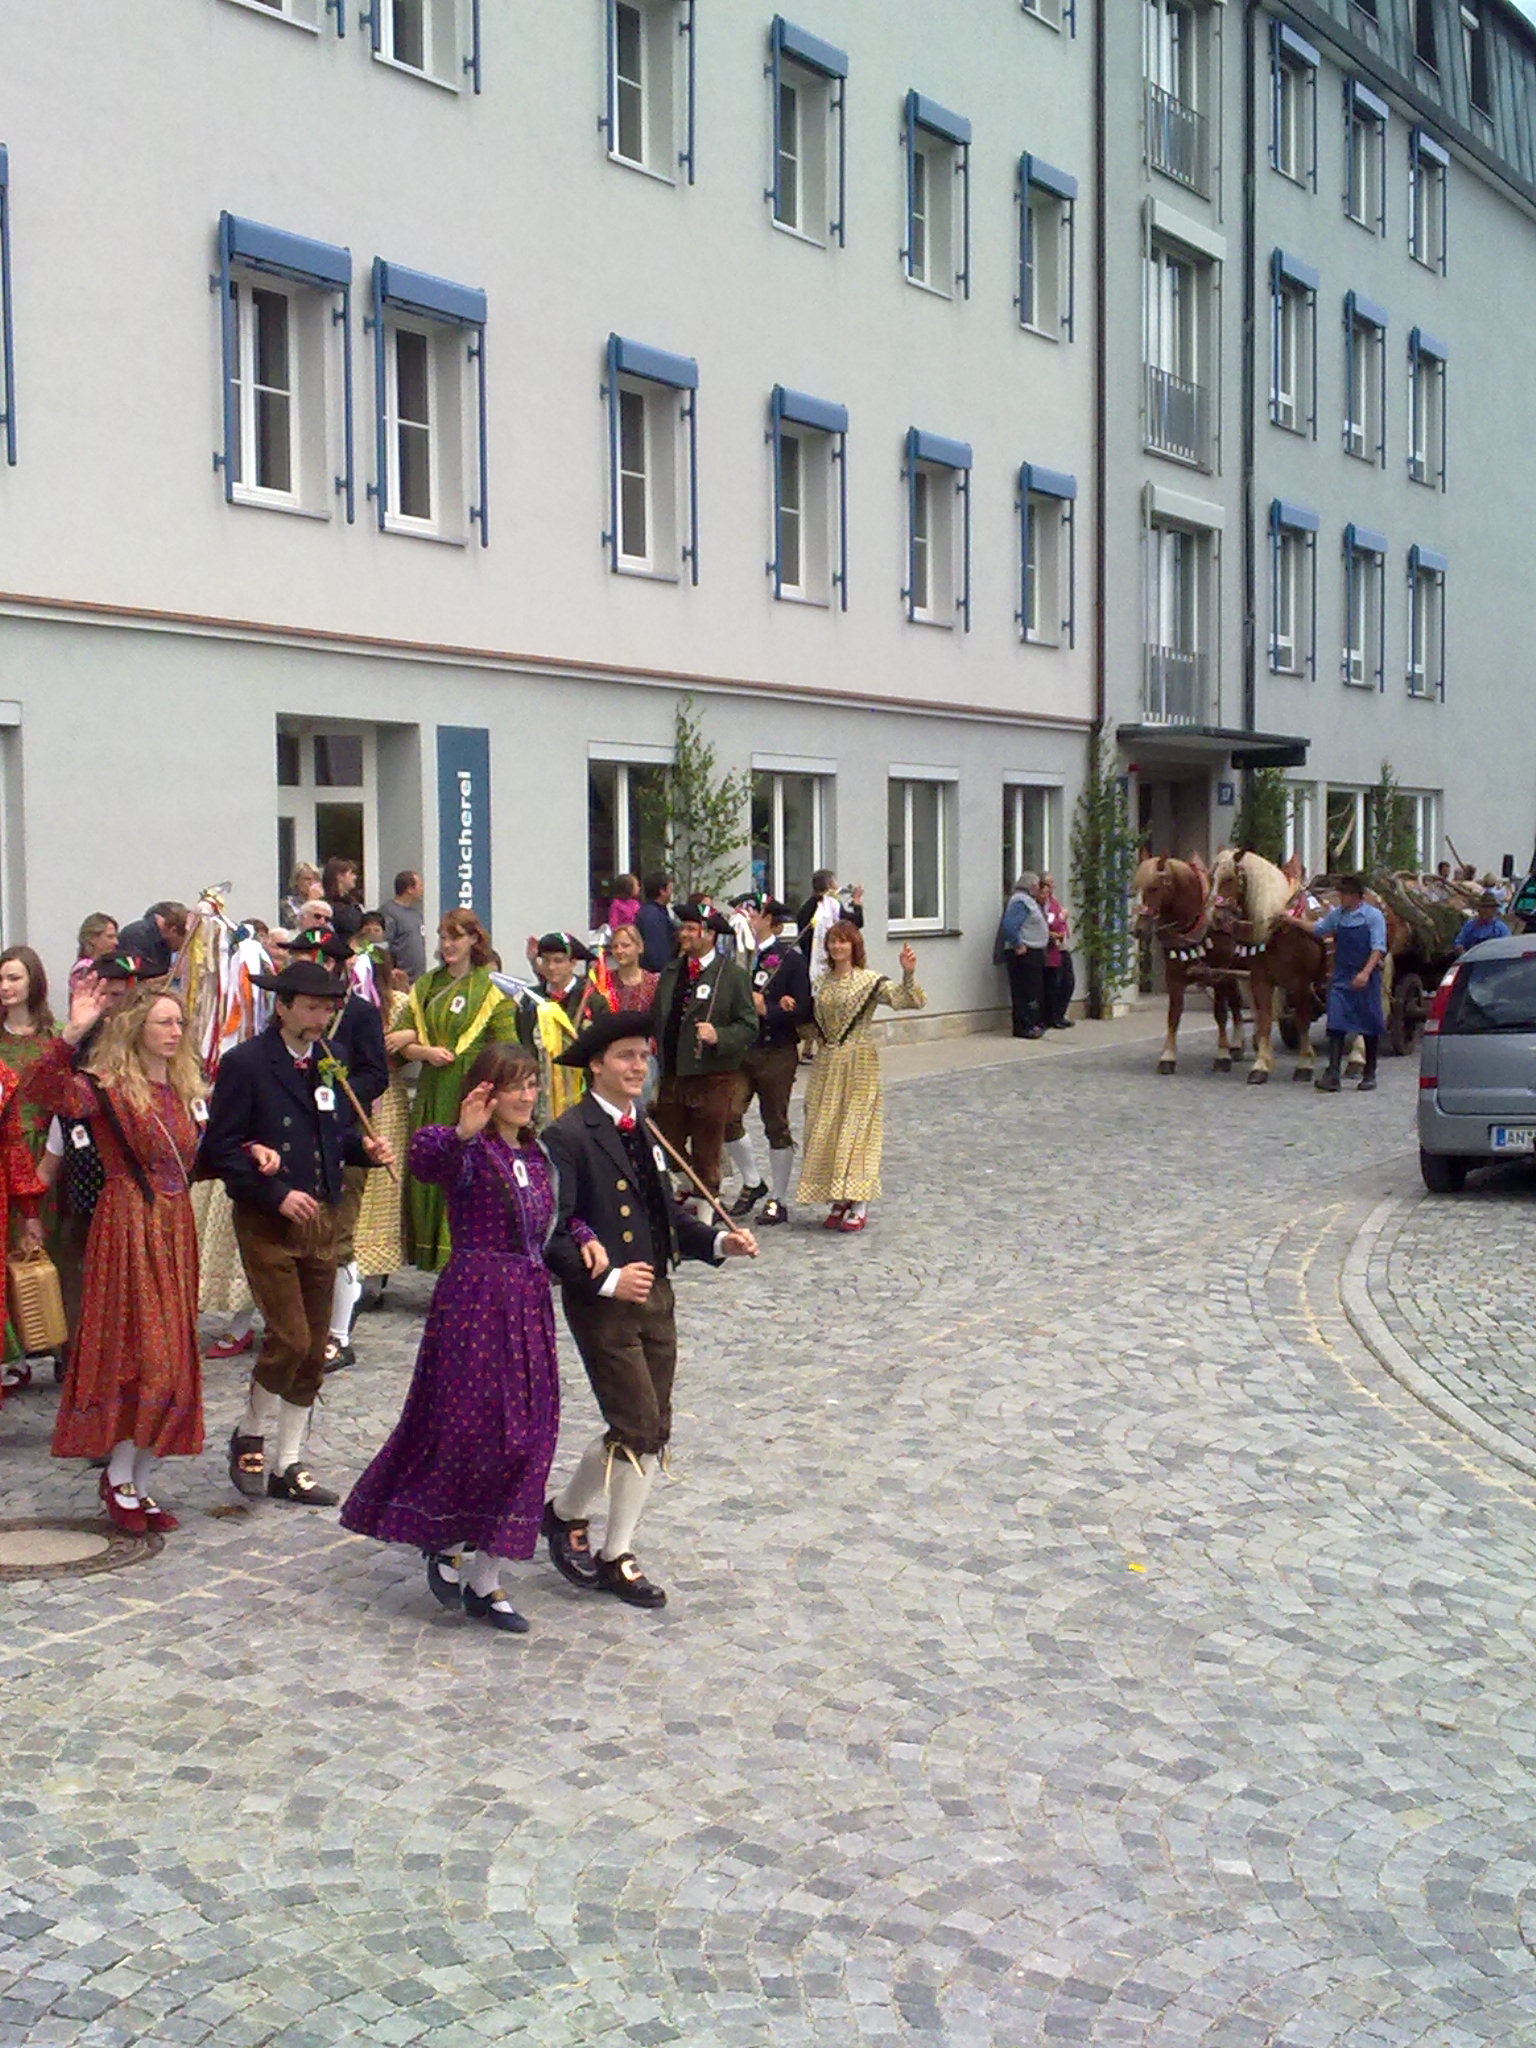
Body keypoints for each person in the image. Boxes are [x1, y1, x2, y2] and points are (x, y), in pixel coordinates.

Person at [341, 1048, 609, 1634]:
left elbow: (560, 1215)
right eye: (513, 1086)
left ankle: (484, 1573)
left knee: (529, 1435)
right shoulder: (470, 1152)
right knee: (468, 1428)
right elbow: (425, 1162)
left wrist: (584, 1233)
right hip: (474, 1302)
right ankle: (446, 1539)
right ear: (486, 1092)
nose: (525, 1096)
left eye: (532, 1085)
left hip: (528, 1303)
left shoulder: (537, 1155)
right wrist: (462, 1131)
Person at [541, 1012, 757, 1608]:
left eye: (644, 1056)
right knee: (638, 1425)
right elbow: (552, 1234)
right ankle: (617, 1555)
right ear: (595, 1065)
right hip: (605, 1305)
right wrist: (608, 1278)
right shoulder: (568, 1135)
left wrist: (717, 1242)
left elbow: (666, 1216)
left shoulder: (645, 1130)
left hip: (657, 1297)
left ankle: (562, 1514)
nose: (639, 1067)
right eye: (626, 1057)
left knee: (650, 1429)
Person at [202, 959, 395, 1506]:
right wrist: (276, 1191)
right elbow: (220, 1148)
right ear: (281, 1006)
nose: (320, 1017)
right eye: (310, 1007)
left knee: (314, 1350)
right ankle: (250, 1434)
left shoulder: (326, 1063)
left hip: (320, 1217)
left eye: (327, 1008)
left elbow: (329, 1136)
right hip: (268, 1219)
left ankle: (289, 1462)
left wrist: (363, 1150)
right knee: (288, 1337)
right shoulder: (247, 1063)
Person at [35, 980, 227, 1532]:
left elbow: (194, 1159)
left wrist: (252, 1154)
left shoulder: (187, 1088)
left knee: (175, 1362)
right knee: (145, 1357)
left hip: (174, 1225)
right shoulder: (109, 1087)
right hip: (128, 1223)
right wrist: (73, 1029)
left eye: (179, 1023)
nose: (175, 1032)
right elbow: (45, 1090)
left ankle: (140, 1480)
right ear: (136, 1029)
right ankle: (117, 1473)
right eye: (163, 1022)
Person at [285, 929, 390, 1373]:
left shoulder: (361, 1013)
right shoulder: (288, 1020)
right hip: (300, 1142)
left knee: (340, 1237)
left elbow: (376, 1074)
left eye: (324, 958)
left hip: (345, 1132)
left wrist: (336, 1090)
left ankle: (340, 1336)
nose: (318, 965)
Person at [401, 910, 521, 1272]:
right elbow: (399, 1038)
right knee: (431, 1163)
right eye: (443, 937)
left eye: (456, 937)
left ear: (474, 940)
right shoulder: (427, 985)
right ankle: (430, 1255)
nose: (448, 945)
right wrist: (425, 1051)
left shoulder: (491, 988)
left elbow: (507, 1047)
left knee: (470, 1171)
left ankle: (462, 1260)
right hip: (434, 1087)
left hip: (472, 1090)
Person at [798, 923, 925, 1231]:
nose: (837, 947)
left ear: (855, 946)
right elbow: (811, 1025)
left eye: (843, 941)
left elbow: (908, 1000)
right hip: (828, 1062)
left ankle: (859, 1200)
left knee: (855, 1129)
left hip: (859, 1062)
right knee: (824, 1127)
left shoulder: (868, 981)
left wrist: (907, 973)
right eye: (833, 941)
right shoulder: (821, 983)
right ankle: (838, 1195)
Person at [649, 903, 757, 1202]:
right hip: (672, 1075)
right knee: (666, 1144)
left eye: (690, 929)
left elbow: (749, 1026)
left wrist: (719, 1035)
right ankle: (689, 1187)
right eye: (682, 927)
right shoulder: (671, 972)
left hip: (712, 1078)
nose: (683, 934)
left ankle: (708, 1217)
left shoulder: (732, 975)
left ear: (709, 934)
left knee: (706, 1150)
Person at [723, 895, 813, 1225]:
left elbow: (804, 1008)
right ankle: (752, 1182)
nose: (746, 918)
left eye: (752, 913)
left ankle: (778, 1197)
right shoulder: (736, 957)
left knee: (775, 1122)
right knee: (727, 1114)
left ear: (771, 922)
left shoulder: (790, 960)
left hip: (776, 1051)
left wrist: (770, 1010)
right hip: (742, 1050)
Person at [1302, 875, 1387, 1094]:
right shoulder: (1337, 916)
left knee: (1369, 1023)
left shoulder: (1373, 916)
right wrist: (1290, 920)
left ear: (1356, 896)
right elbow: (1317, 929)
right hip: (1341, 975)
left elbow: (1378, 948)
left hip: (1365, 974)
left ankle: (1370, 1073)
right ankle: (1333, 1074)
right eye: (1340, 894)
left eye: (1344, 894)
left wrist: (1366, 973)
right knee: (1336, 1022)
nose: (1340, 898)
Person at [997, 873, 1048, 1040]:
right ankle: (1023, 1026)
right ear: (1030, 886)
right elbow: (1010, 925)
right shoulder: (1020, 901)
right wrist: (1018, 944)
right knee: (1024, 990)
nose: (1037, 888)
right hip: (1024, 953)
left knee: (1032, 989)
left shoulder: (1026, 900)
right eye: (1036, 885)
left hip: (1032, 951)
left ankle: (1031, 1024)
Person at [797, 871, 865, 987]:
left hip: (809, 963)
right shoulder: (831, 905)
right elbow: (856, 922)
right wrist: (857, 901)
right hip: (830, 962)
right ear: (830, 885)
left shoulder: (805, 908)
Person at [116, 902, 190, 980]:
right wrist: (171, 976)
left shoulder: (163, 940)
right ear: (173, 931)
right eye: (185, 940)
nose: (183, 946)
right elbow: (135, 981)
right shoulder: (137, 936)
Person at [1038, 874, 1075, 1029]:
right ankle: (1053, 1017)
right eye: (1050, 882)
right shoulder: (1044, 903)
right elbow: (1047, 922)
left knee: (1068, 982)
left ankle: (1059, 1014)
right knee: (1055, 984)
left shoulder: (1054, 901)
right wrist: (1060, 919)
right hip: (1053, 947)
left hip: (1062, 946)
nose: (1053, 885)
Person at [379, 871, 426, 982]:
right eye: (420, 886)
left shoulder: (416, 914)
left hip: (418, 981)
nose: (422, 889)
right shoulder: (388, 913)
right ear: (409, 889)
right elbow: (380, 945)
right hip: (398, 981)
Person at [635, 873, 676, 973]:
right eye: (670, 889)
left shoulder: (655, 911)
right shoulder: (652, 915)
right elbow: (657, 949)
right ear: (662, 891)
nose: (672, 893)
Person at [69, 914, 119, 994]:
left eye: (116, 937)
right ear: (92, 938)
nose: (116, 942)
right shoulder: (84, 970)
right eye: (110, 937)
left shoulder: (111, 965)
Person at [1452, 891, 1511, 956]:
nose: (1485, 910)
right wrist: (1461, 950)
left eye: (1489, 907)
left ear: (1494, 910)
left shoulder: (1500, 928)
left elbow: (1507, 948)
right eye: (1483, 907)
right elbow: (1459, 942)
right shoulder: (1470, 925)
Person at [321, 857, 365, 940]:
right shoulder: (328, 906)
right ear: (339, 876)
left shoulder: (352, 902)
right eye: (351, 873)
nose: (354, 877)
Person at [280, 863, 324, 928]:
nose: (312, 883)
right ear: (296, 881)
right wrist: (310, 902)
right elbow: (295, 925)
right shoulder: (287, 902)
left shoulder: (323, 903)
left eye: (316, 880)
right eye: (307, 879)